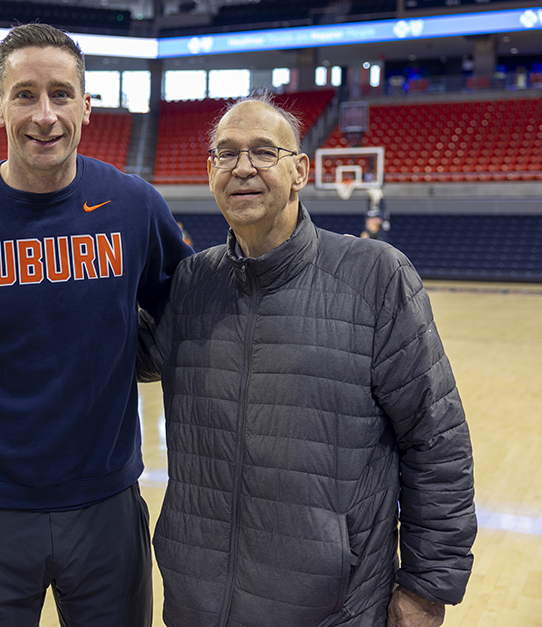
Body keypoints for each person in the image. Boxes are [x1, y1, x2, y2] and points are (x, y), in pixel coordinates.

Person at [138, 93, 476, 627]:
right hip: (197, 603)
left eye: (263, 152)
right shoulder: (192, 283)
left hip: (333, 610)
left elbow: (436, 439)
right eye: (226, 153)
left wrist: (427, 587)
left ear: (300, 171)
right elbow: (118, 353)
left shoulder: (376, 276)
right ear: (210, 172)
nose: (243, 167)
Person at [0, 23, 193, 626]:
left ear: (86, 106)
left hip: (105, 499)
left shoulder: (135, 205)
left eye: (61, 94)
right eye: (25, 95)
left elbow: (189, 310)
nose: (45, 115)